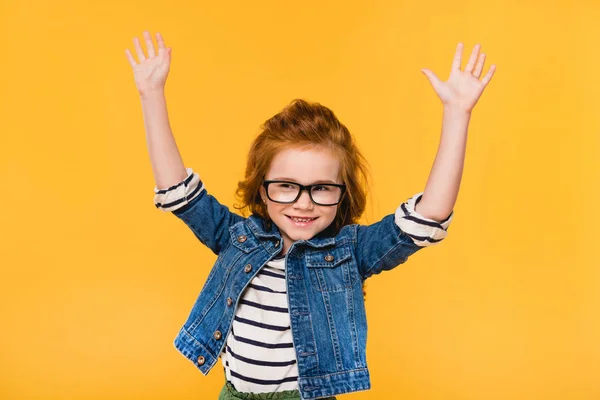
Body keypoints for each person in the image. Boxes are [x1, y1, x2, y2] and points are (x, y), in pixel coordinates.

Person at [125, 31, 495, 400]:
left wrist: (457, 114)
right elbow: (179, 193)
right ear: (261, 188)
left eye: (321, 188)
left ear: (342, 193)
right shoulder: (236, 236)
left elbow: (428, 216)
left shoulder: (350, 251)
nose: (304, 203)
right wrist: (151, 95)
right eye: (286, 185)